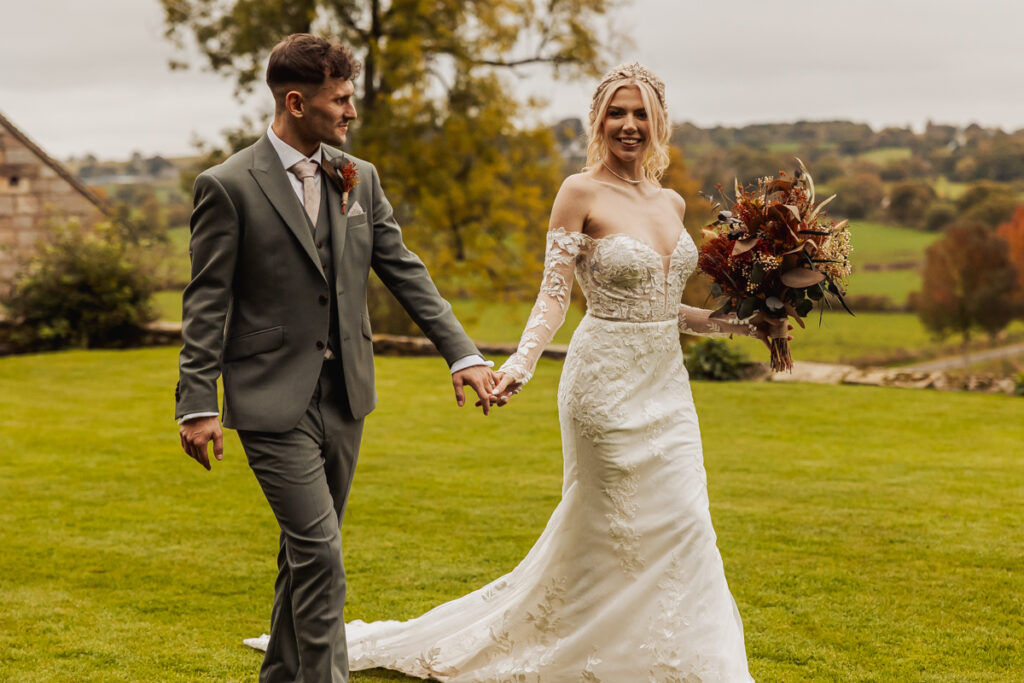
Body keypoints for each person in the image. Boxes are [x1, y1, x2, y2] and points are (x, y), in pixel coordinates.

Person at [250, 62, 786, 680]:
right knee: (608, 528)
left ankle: (683, 661)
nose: (629, 125)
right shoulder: (578, 192)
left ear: (659, 121)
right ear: (599, 122)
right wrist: (520, 366)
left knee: (686, 521)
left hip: (667, 389)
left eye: (640, 113)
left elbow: (669, 311)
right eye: (617, 112)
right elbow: (554, 296)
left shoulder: (671, 201)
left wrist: (752, 325)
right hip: (604, 389)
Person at [175, 33, 499, 683]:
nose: (351, 113)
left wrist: (461, 353)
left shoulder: (356, 176)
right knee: (321, 553)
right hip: (269, 396)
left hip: (346, 394)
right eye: (340, 100)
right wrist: (196, 401)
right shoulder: (229, 186)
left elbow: (404, 271)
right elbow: (206, 299)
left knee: (304, 553)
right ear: (296, 102)